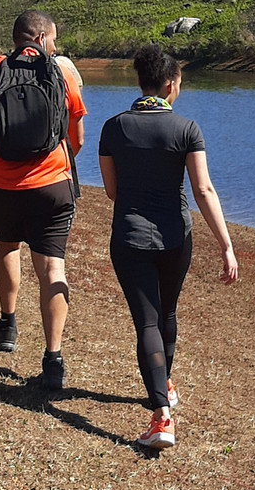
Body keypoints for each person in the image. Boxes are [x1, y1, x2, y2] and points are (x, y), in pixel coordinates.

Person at [98, 44, 238, 448]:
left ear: (142, 82)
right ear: (171, 85)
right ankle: (164, 393)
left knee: (147, 321)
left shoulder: (113, 127)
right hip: (176, 237)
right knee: (167, 313)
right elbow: (203, 189)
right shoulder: (186, 129)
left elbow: (111, 190)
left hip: (129, 237)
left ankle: (161, 414)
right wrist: (226, 245)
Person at [0, 10, 86, 390]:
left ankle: (8, 326)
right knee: (52, 269)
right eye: (54, 39)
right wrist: (56, 163)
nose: (56, 46)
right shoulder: (61, 72)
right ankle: (53, 360)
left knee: (6, 244)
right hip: (52, 188)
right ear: (42, 37)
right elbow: (76, 134)